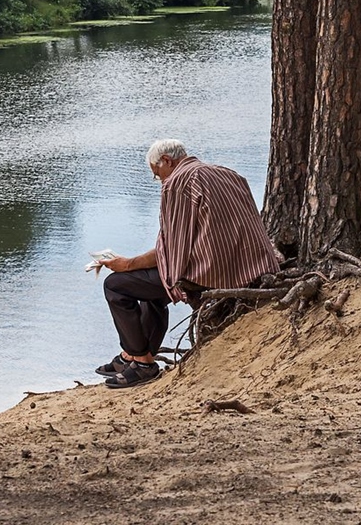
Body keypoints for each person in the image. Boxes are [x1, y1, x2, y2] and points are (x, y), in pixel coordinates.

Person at [95, 139, 280, 389]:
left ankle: (142, 364)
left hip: (214, 274)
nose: (159, 180)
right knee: (149, 285)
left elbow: (173, 249)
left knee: (116, 285)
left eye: (157, 174)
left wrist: (127, 264)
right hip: (254, 267)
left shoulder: (177, 183)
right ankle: (132, 355)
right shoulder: (227, 173)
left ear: (167, 161)